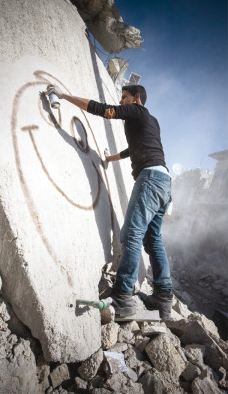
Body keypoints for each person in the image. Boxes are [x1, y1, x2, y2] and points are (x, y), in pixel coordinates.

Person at [47, 84, 173, 319]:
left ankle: (123, 296)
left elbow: (105, 110)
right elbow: (134, 148)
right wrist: (111, 158)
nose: (121, 101)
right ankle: (163, 298)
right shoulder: (151, 121)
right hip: (164, 182)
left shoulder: (136, 111)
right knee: (153, 239)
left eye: (124, 97)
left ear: (136, 98)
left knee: (131, 235)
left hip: (150, 179)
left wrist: (65, 95)